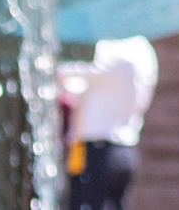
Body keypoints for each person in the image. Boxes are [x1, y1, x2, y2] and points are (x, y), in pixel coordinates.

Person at [57, 32, 158, 207]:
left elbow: (64, 68)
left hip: (99, 151)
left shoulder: (117, 51)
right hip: (123, 149)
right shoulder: (143, 48)